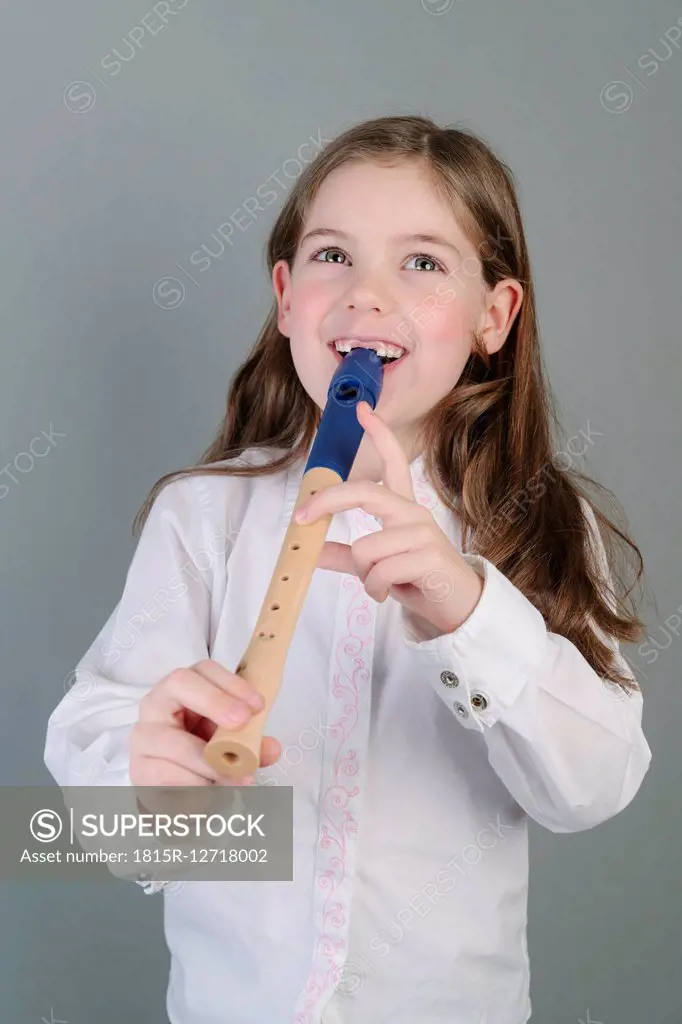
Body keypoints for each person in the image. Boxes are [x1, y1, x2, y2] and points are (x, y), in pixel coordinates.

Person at [43, 114, 652, 1024]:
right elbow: (98, 790)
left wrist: (467, 609)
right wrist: (147, 789)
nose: (368, 298)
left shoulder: (541, 523)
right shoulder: (205, 514)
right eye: (334, 256)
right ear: (287, 297)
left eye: (422, 263)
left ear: (494, 317)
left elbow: (594, 786)